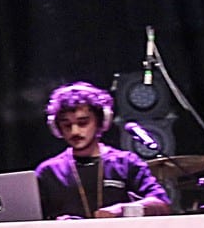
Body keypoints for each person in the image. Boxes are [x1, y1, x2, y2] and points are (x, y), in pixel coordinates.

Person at [35, 81, 172, 219]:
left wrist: (122, 210)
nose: (74, 131)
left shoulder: (126, 163)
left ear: (101, 121)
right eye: (67, 125)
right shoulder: (48, 172)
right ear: (57, 128)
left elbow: (161, 203)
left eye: (83, 123)